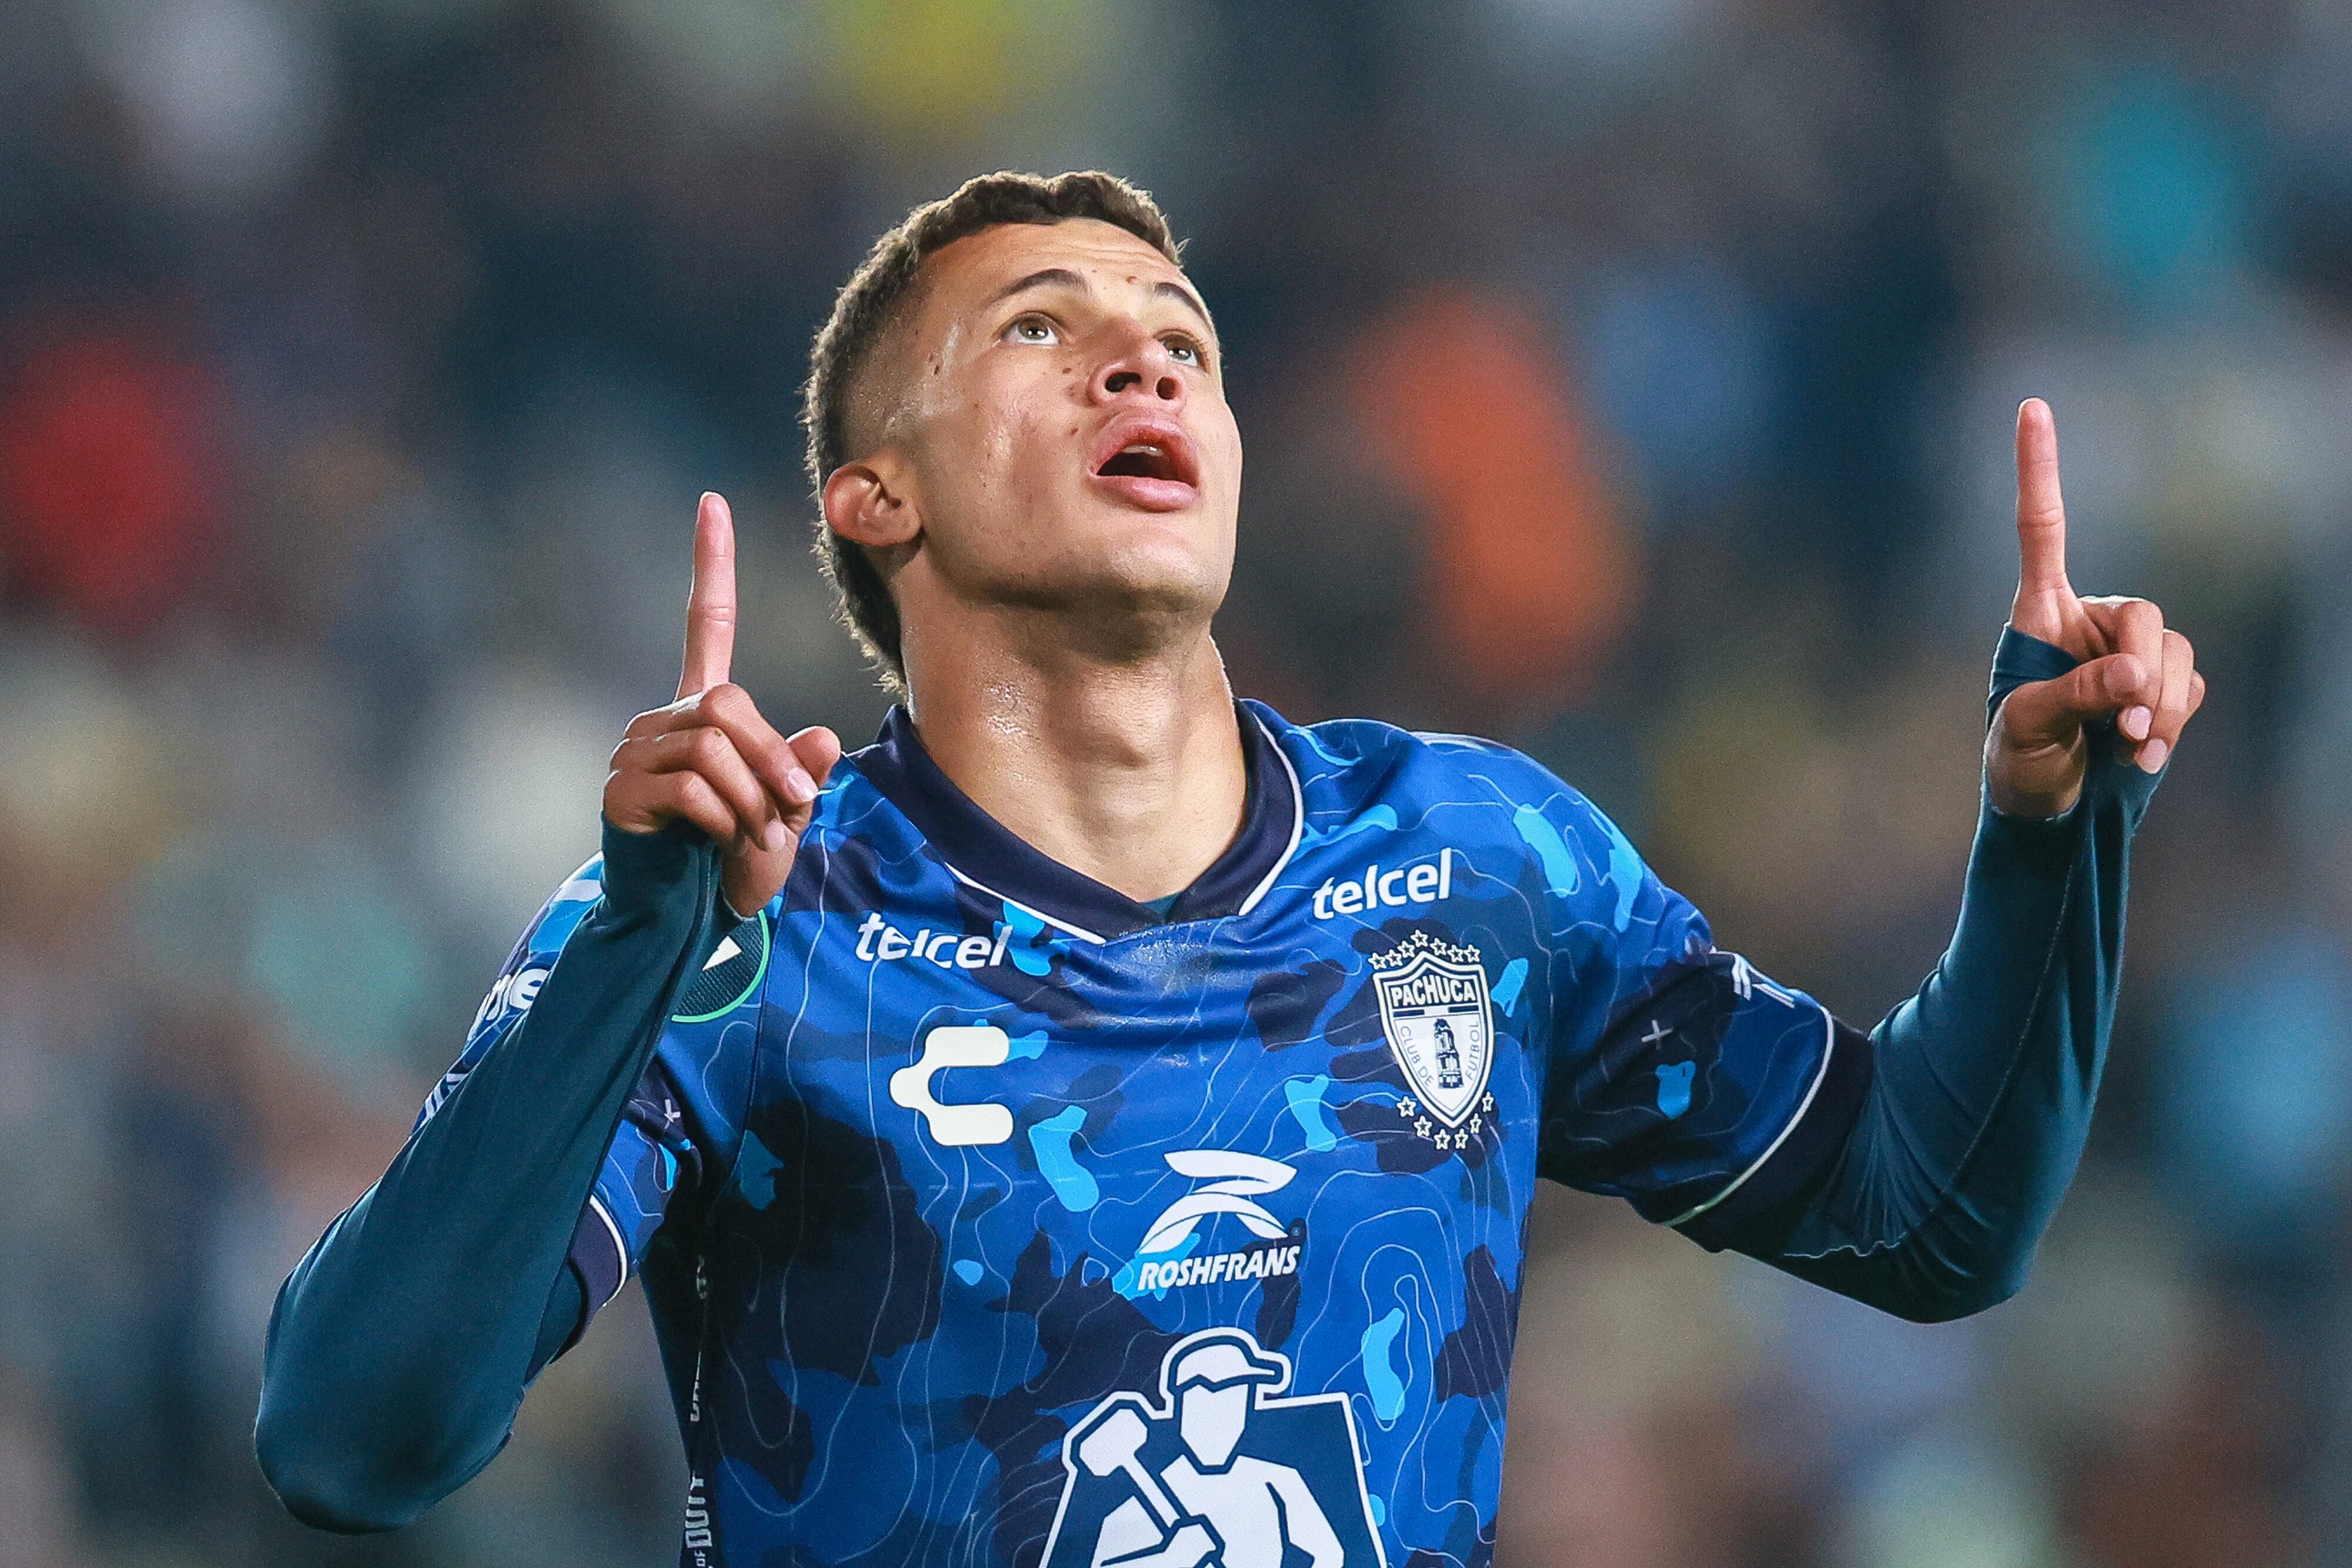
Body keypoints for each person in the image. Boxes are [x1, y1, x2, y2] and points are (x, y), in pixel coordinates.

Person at [255, 170, 2205, 1566]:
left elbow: (1926, 1217)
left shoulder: (1476, 860)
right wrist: (630, 955)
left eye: (1182, 341)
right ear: (877, 495)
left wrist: (2053, 837)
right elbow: (354, 1438)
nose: (1146, 363)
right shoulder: (748, 926)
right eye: (1046, 329)